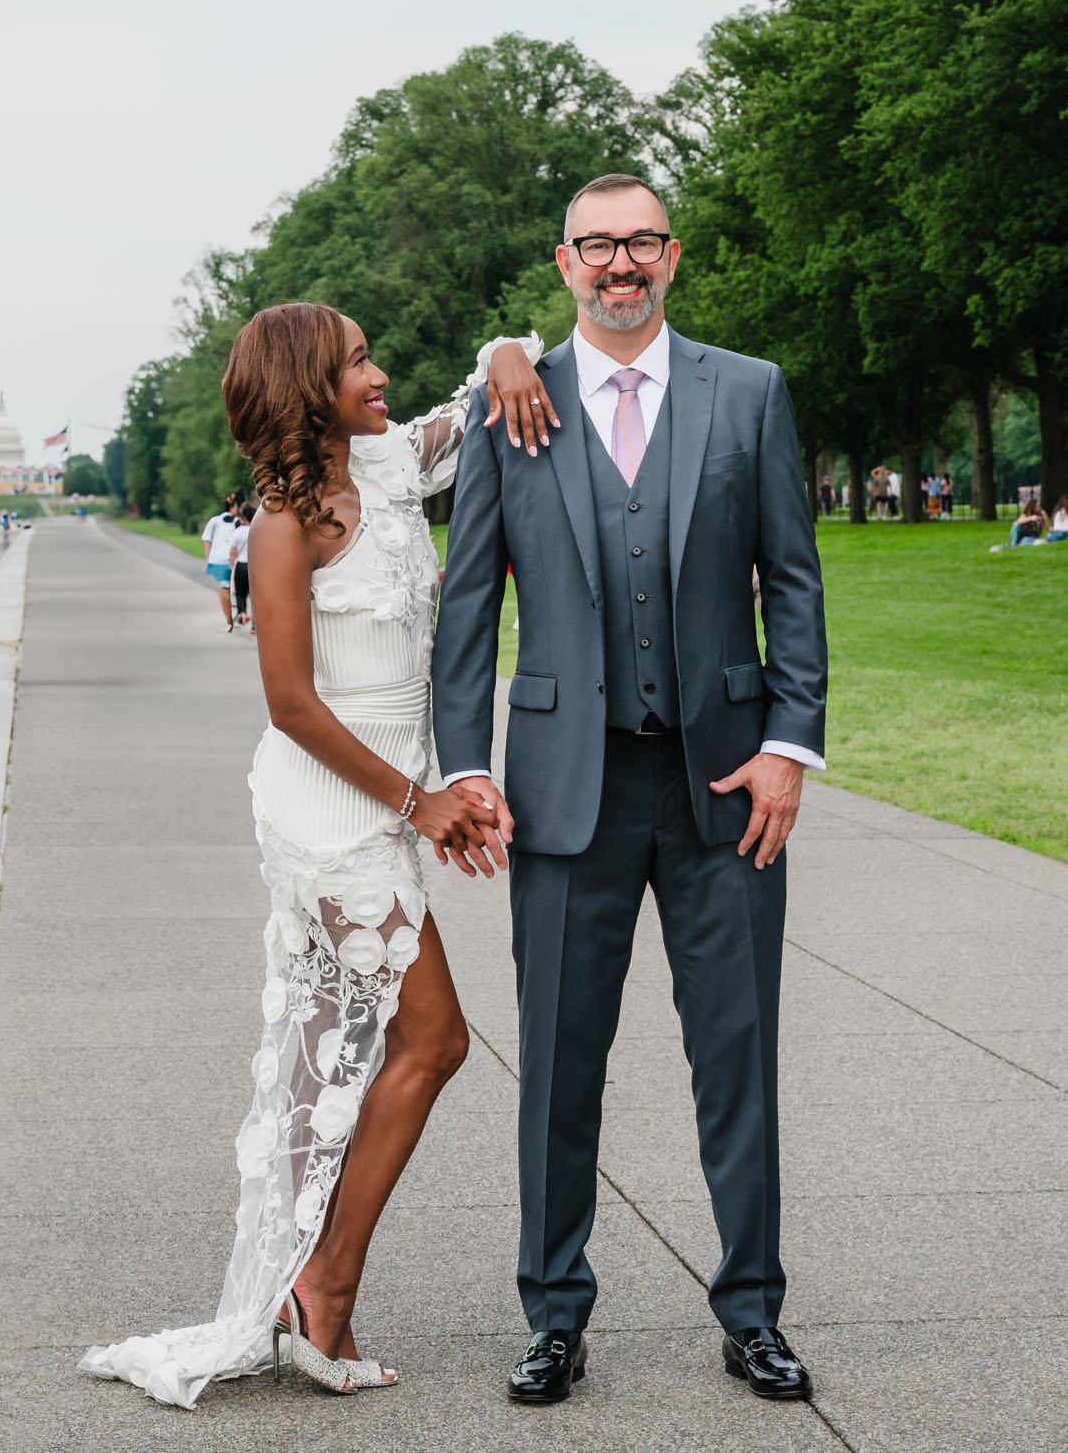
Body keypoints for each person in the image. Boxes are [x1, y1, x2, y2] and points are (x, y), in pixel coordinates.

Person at [79, 309, 547, 1408]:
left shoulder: (385, 469)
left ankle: (312, 1289)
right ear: (305, 384)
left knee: (359, 1049)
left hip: (385, 798)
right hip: (331, 810)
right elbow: (288, 700)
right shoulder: (285, 521)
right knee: (429, 1040)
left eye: (375, 353)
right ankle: (318, 1292)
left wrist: (507, 354)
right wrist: (418, 800)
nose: (379, 374)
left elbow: (473, 403)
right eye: (354, 362)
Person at [434, 173, 831, 1407]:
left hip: (723, 782)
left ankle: (752, 1310)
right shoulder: (512, 398)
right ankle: (554, 1312)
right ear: (563, 262)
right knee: (558, 1059)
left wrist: (791, 739)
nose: (621, 263)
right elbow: (467, 604)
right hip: (563, 790)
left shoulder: (749, 390)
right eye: (597, 245)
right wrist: (463, 762)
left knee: (739, 1052)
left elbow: (795, 580)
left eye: (641, 243)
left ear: (674, 255)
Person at [201, 497, 242, 630]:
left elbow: (207, 539)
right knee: (235, 588)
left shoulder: (214, 520)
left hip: (218, 560)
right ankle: (237, 615)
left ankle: (229, 619)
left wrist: (207, 558)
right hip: (233, 559)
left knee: (224, 587)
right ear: (233, 507)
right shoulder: (238, 522)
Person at [229, 497, 257, 631]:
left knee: (240, 594)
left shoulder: (238, 532)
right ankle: (255, 626)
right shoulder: (256, 531)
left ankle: (243, 614)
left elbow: (232, 552)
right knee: (255, 596)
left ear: (243, 517)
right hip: (254, 566)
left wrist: (232, 565)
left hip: (240, 566)